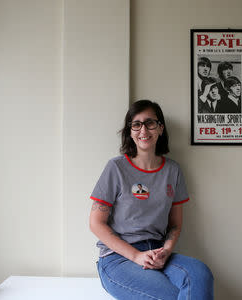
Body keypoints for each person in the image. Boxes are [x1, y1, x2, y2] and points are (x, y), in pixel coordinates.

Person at [89, 100, 214, 299]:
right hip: (118, 258)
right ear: (130, 131)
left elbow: (175, 224)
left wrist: (165, 251)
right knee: (170, 295)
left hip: (158, 252)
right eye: (136, 124)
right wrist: (136, 256)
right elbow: (96, 224)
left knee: (199, 274)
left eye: (150, 123)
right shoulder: (116, 168)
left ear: (160, 128)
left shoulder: (173, 170)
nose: (143, 130)